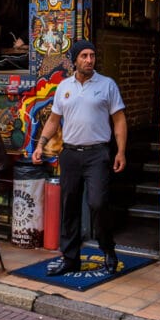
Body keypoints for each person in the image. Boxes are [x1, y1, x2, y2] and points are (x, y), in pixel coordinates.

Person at [31, 39, 127, 276]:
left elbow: (119, 119)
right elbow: (54, 120)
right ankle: (70, 258)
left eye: (92, 55)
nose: (89, 60)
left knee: (98, 203)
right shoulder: (64, 86)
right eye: (83, 56)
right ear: (74, 60)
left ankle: (108, 249)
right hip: (71, 153)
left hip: (98, 153)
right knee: (69, 207)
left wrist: (121, 151)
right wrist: (40, 145)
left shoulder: (107, 85)